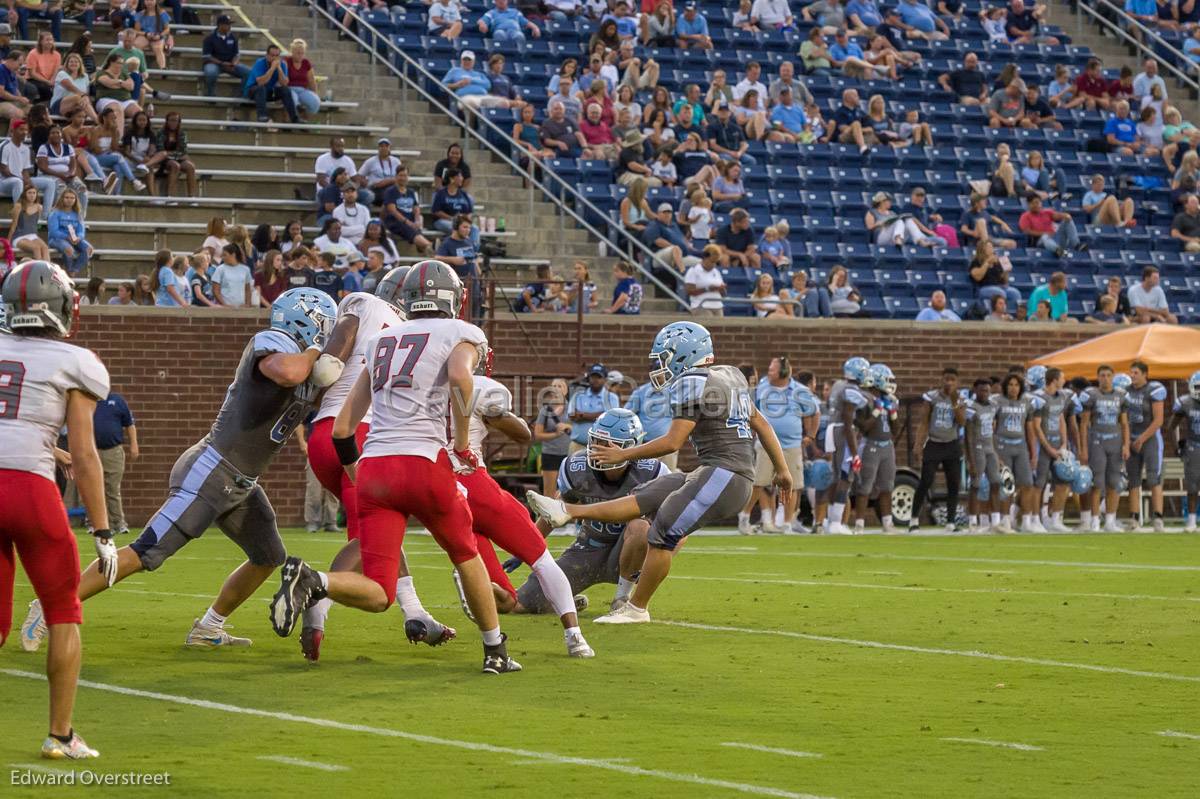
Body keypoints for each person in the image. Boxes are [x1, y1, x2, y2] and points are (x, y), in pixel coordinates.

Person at [24, 289, 338, 663]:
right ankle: (51, 604)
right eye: (324, 327)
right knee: (147, 552)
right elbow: (287, 372)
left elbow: (309, 390)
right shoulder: (274, 343)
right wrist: (317, 352)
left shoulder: (304, 363)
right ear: (309, 321)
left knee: (268, 554)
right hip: (211, 469)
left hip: (240, 481)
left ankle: (208, 627)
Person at [269, 263, 523, 674]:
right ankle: (496, 649)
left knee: (379, 591)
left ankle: (316, 581)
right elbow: (461, 377)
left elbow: (344, 428)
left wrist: (359, 474)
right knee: (465, 554)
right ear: (452, 298)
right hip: (424, 461)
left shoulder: (383, 340)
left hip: (374, 468)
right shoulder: (462, 332)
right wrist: (461, 442)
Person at [526, 321, 793, 623]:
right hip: (718, 471)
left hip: (724, 473)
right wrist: (782, 470)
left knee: (663, 529)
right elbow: (763, 424)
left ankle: (636, 607)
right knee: (648, 495)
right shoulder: (730, 375)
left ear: (685, 353)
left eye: (665, 356)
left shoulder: (691, 381)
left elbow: (673, 442)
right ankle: (567, 510)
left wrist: (623, 453)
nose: (661, 364)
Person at [294, 268, 453, 660]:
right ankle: (317, 599)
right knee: (369, 537)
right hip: (364, 435)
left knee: (382, 527)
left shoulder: (370, 313)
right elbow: (334, 359)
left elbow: (330, 369)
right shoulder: (381, 313)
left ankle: (415, 614)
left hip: (324, 436)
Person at [2, 262, 112, 760]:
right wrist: (104, 531)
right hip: (30, 491)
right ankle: (60, 735)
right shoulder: (76, 361)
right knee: (64, 611)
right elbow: (86, 455)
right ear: (63, 307)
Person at [450, 370, 596, 658]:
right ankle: (574, 635)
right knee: (541, 559)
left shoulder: (420, 389)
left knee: (506, 601)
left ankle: (468, 584)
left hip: (441, 491)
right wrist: (495, 413)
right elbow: (523, 434)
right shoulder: (479, 387)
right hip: (474, 484)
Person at [507, 410, 666, 615]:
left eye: (609, 444)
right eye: (596, 441)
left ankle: (623, 599)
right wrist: (526, 548)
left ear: (632, 446)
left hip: (631, 553)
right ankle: (568, 600)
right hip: (588, 549)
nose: (600, 449)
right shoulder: (576, 467)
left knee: (640, 527)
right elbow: (554, 513)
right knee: (523, 604)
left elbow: (671, 523)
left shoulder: (651, 472)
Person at [738, 356, 818, 534]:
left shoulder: (799, 390)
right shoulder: (762, 387)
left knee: (793, 485)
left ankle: (787, 524)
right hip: (765, 443)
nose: (769, 371)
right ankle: (744, 517)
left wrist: (811, 436)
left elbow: (815, 412)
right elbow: (750, 410)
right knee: (759, 482)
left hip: (791, 445)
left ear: (783, 372)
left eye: (773, 369)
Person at [909, 367, 965, 533]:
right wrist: (918, 445)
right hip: (934, 442)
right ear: (941, 380)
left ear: (957, 382)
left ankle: (951, 521)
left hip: (952, 443)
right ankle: (913, 519)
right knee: (926, 480)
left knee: (953, 483)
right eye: (946, 379)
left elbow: (962, 422)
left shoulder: (960, 399)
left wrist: (954, 403)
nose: (949, 382)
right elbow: (924, 422)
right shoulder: (932, 397)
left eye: (952, 380)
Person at [1079, 365, 1131, 533]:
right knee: (1096, 483)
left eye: (1109, 375)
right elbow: (1084, 424)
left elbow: (1124, 423)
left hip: (1115, 442)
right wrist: (1084, 449)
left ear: (1113, 377)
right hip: (1097, 441)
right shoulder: (1092, 395)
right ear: (1098, 377)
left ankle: (1110, 521)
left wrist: (1126, 444)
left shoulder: (1121, 396)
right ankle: (1094, 522)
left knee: (1114, 482)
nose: (1106, 378)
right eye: (1102, 375)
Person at [1122, 361, 1168, 531]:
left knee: (1153, 478)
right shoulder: (1126, 391)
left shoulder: (1153, 390)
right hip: (1132, 438)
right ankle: (1133, 518)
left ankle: (1158, 517)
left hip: (1150, 439)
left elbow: (1158, 420)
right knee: (1133, 479)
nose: (1132, 376)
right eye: (1131, 372)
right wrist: (1127, 442)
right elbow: (1124, 419)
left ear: (1145, 374)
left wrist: (1141, 438)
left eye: (1135, 373)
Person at [992, 373, 1039, 531]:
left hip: (1020, 447)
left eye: (1016, 385)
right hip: (1003, 446)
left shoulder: (1026, 403)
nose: (1013, 388)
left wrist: (1033, 453)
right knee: (1007, 485)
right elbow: (991, 429)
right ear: (1005, 386)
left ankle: (1026, 521)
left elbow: (1030, 430)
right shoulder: (997, 402)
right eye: (1010, 385)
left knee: (1027, 484)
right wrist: (994, 453)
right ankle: (1005, 521)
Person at [91, 390, 138, 536]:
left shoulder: (117, 400)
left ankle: (118, 523)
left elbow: (129, 424)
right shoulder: (89, 401)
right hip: (92, 451)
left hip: (113, 451)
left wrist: (134, 444)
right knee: (94, 488)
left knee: (113, 488)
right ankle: (97, 524)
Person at [0, 120, 56, 215]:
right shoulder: (4, 146)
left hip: (20, 180)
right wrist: (23, 182)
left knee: (50, 183)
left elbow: (25, 171)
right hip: (4, 181)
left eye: (26, 130)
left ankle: (45, 216)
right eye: (21, 129)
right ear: (12, 131)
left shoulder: (26, 149)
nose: (25, 132)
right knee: (17, 182)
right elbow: (3, 169)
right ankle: (20, 216)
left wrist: (30, 184)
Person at [1167, 372, 1200, 532]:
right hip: (1193, 448)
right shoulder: (1185, 403)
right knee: (1192, 486)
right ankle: (1192, 521)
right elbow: (1171, 427)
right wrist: (1176, 448)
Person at [567, 363, 621, 456]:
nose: (595, 380)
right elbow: (571, 415)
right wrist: (599, 415)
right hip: (577, 445)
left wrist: (582, 415)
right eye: (593, 377)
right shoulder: (578, 395)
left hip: (602, 448)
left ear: (605, 379)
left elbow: (610, 419)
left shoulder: (612, 398)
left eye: (599, 377)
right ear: (589, 378)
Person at [534, 378, 573, 496]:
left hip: (569, 455)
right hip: (551, 454)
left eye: (560, 386)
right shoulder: (545, 410)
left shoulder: (573, 409)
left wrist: (567, 426)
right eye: (554, 386)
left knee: (569, 491)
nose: (556, 389)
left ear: (566, 390)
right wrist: (555, 434)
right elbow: (538, 434)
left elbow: (582, 430)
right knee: (549, 491)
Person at [243, 43, 299, 124]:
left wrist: (279, 68)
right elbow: (260, 82)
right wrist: (272, 69)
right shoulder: (260, 63)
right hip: (253, 90)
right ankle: (262, 116)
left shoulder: (282, 64)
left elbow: (284, 83)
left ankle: (295, 118)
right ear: (267, 55)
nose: (274, 58)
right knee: (261, 88)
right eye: (272, 55)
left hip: (268, 92)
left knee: (286, 90)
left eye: (277, 56)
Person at [1019, 196, 1083, 258]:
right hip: (1040, 241)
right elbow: (1026, 231)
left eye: (1038, 203)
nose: (1036, 205)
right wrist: (1044, 233)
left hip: (1055, 238)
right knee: (1045, 237)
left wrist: (1066, 216)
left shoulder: (1047, 212)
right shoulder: (1025, 216)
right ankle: (1058, 251)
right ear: (1029, 204)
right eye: (1033, 203)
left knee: (1067, 220)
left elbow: (1057, 216)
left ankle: (1076, 245)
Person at [202, 15, 250, 96]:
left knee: (249, 73)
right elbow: (207, 56)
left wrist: (234, 62)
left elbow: (236, 54)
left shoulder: (233, 37)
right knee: (211, 73)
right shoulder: (209, 38)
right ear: (220, 25)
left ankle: (243, 95)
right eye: (227, 24)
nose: (230, 27)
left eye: (230, 24)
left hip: (230, 64)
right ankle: (210, 94)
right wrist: (222, 63)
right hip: (214, 63)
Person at [47, 188, 91, 274]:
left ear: (75, 200)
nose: (69, 200)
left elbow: (81, 231)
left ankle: (74, 270)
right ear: (62, 199)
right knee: (69, 249)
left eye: (72, 198)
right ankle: (69, 270)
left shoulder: (77, 214)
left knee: (88, 249)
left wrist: (79, 237)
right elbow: (53, 231)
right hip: (57, 239)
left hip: (73, 238)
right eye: (67, 197)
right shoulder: (55, 213)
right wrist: (67, 237)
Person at [7, 183, 50, 261]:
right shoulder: (18, 206)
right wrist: (8, 243)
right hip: (19, 237)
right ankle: (39, 270)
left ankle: (48, 271)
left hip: (33, 235)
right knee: (36, 248)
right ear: (25, 194)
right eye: (29, 193)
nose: (32, 195)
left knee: (45, 248)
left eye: (34, 193)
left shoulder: (39, 207)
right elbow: (13, 226)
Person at [683, 246, 727, 316]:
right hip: (701, 306)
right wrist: (708, 289)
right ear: (705, 258)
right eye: (712, 261)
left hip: (718, 306)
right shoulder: (693, 270)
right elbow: (689, 291)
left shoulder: (716, 272)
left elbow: (723, 294)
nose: (713, 265)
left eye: (715, 262)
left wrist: (722, 289)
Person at [477, 0, 541, 44]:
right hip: (500, 30)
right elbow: (481, 20)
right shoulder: (491, 13)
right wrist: (482, 24)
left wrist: (535, 28)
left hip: (515, 31)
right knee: (499, 34)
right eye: (499, 0)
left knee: (519, 35)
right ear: (495, 2)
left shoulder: (515, 12)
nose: (501, 1)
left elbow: (526, 22)